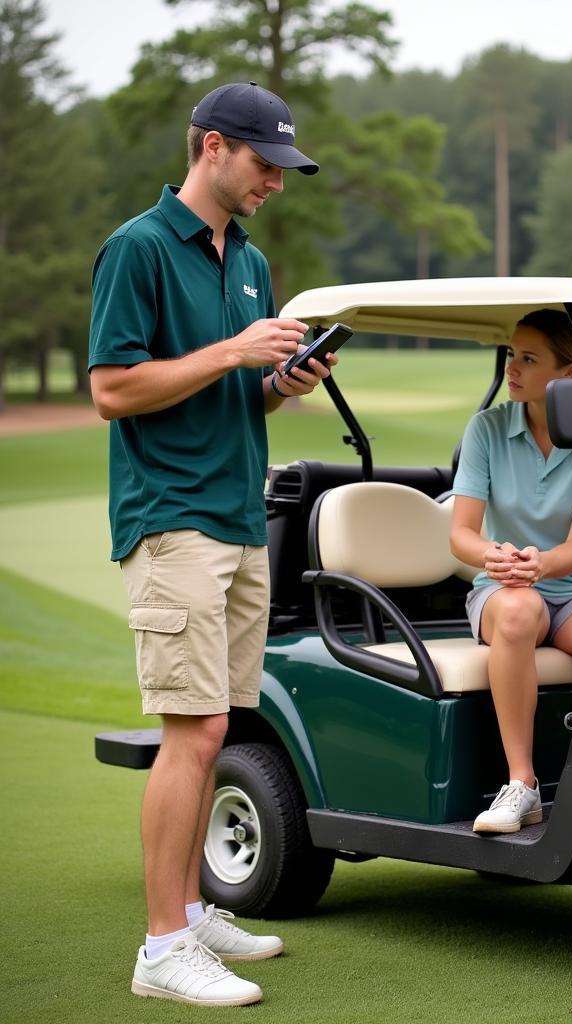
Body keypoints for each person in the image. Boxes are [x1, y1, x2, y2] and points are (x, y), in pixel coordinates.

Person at [88, 82, 331, 1008]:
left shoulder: (253, 261)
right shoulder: (139, 248)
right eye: (265, 163)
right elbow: (114, 390)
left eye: (284, 168)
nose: (276, 180)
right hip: (171, 518)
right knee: (188, 737)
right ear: (212, 147)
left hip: (237, 517)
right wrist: (234, 352)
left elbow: (241, 393)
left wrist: (279, 383)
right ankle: (161, 950)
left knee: (218, 727)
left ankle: (190, 913)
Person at [449, 309, 572, 834]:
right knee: (516, 614)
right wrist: (493, 557)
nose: (513, 368)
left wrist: (542, 564)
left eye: (529, 359)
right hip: (505, 586)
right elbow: (461, 533)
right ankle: (523, 785)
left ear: (569, 374)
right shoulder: (487, 429)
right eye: (512, 355)